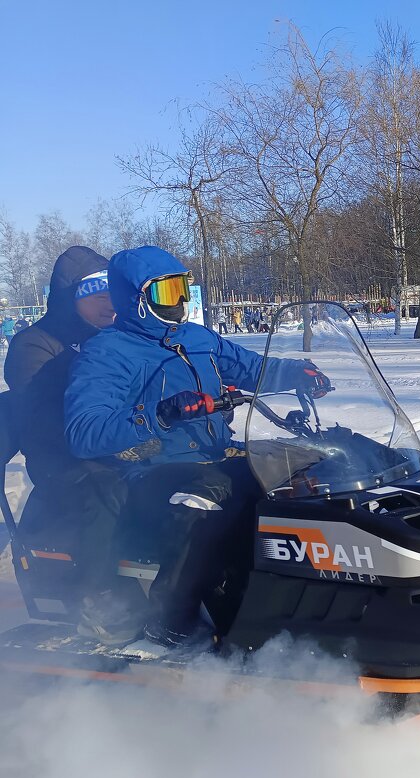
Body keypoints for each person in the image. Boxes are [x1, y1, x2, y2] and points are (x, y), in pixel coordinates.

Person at [65, 246, 330, 647]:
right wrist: (161, 413)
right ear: (137, 300)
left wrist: (298, 371)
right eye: (166, 293)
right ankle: (172, 619)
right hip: (153, 469)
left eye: (183, 289)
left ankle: (297, 597)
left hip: (214, 456)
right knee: (209, 498)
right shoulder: (107, 353)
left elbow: (251, 369)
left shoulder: (196, 337)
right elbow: (84, 431)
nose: (181, 302)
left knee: (304, 471)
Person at [2, 247, 135, 643]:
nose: (110, 306)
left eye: (113, 295)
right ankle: (97, 600)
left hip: (115, 444)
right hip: (59, 457)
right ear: (70, 297)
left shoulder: (115, 338)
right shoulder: (33, 344)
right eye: (99, 297)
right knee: (108, 487)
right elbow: (43, 420)